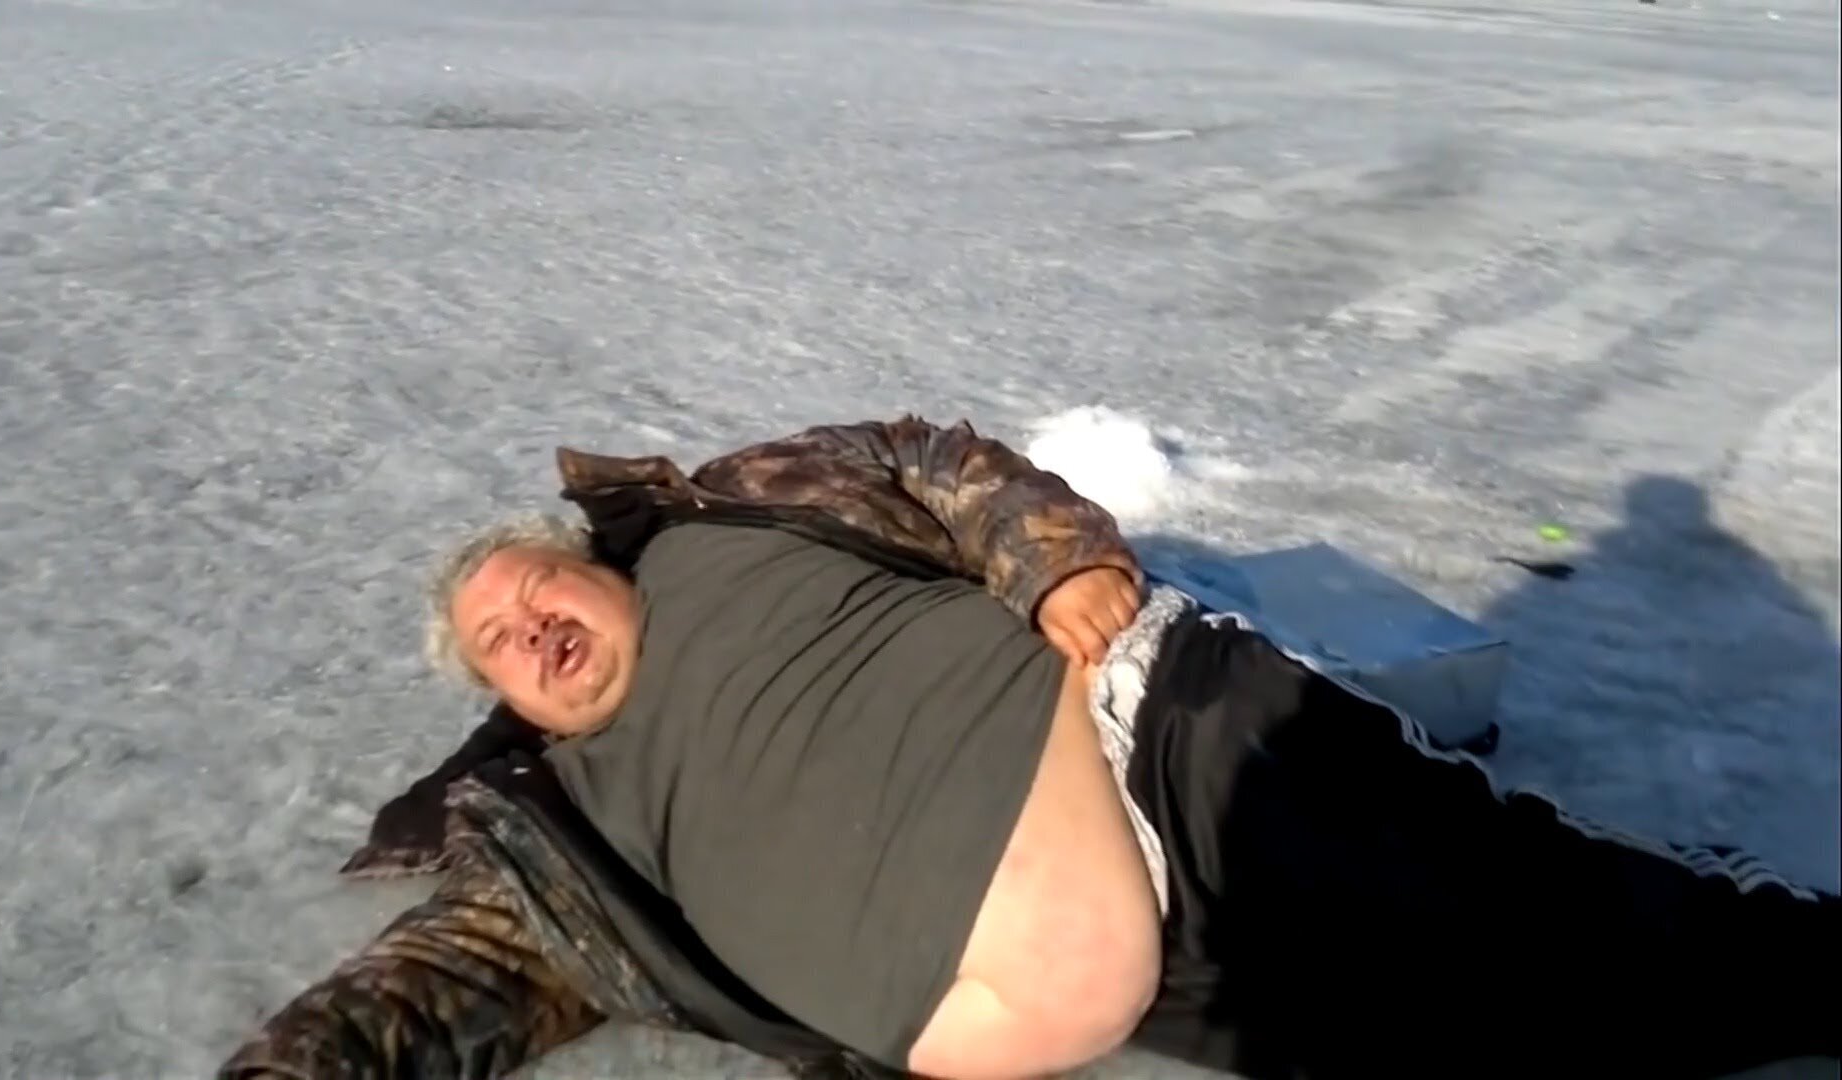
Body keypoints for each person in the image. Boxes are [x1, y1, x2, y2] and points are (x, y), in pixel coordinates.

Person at [219, 415, 1837, 1080]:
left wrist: (1051, 556)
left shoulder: (728, 518)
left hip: (1151, 739)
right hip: (1135, 976)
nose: (531, 630)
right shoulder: (555, 838)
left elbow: (935, 461)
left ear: (588, 562)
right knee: (1470, 1040)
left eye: (536, 590)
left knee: (1520, 918)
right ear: (505, 697)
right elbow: (406, 1002)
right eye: (499, 644)